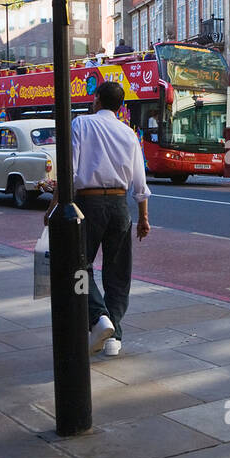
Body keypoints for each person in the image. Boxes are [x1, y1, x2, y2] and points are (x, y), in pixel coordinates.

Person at [73, 81, 151, 359]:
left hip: (87, 203)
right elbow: (139, 182)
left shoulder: (81, 124)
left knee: (77, 265)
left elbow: (70, 168)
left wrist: (54, 205)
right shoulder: (129, 133)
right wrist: (143, 217)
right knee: (118, 273)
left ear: (96, 100)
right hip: (120, 205)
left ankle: (98, 317)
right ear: (121, 106)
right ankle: (114, 337)